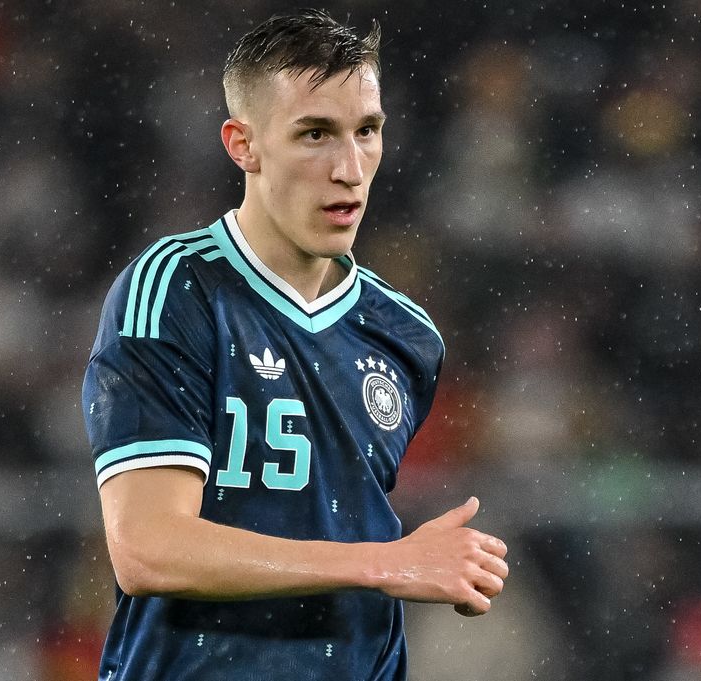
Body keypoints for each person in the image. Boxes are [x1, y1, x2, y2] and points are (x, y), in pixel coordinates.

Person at [81, 9, 509, 680]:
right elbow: (148, 549)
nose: (348, 167)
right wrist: (385, 560)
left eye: (366, 131)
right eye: (315, 134)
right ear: (242, 144)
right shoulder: (176, 289)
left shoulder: (406, 336)